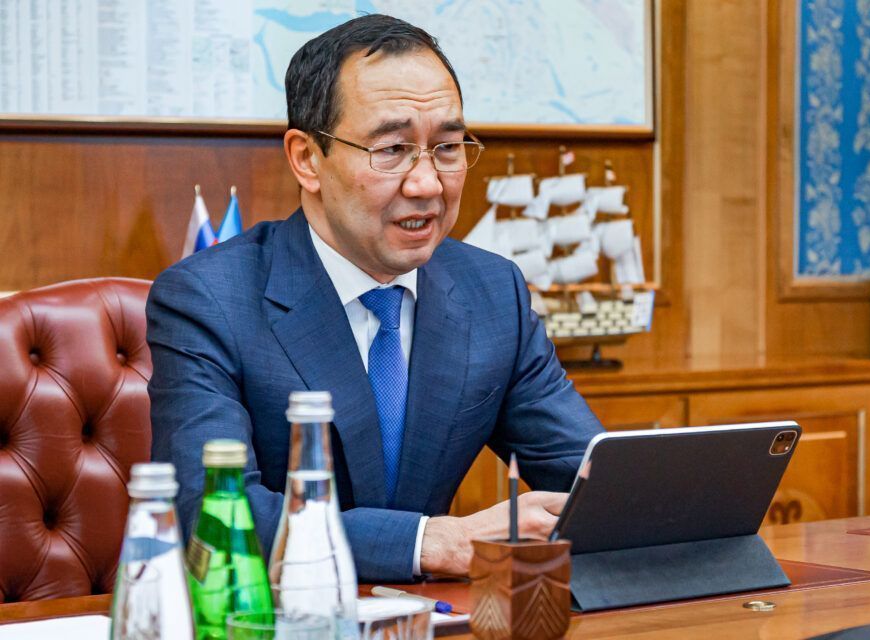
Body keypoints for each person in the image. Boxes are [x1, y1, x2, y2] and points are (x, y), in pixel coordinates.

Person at [147, 14, 603, 583]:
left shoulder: (490, 292)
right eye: (392, 149)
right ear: (307, 159)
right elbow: (213, 516)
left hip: (433, 615)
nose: (428, 184)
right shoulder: (209, 299)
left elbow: (594, 483)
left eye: (447, 147)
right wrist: (429, 542)